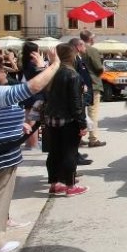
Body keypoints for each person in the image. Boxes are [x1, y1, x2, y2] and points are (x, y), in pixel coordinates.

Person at [0, 47, 61, 252]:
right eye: (1, 68)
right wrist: (53, 64)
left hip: (3, 155)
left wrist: (15, 128)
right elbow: (31, 88)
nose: (5, 72)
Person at [42, 44, 89, 197]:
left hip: (51, 118)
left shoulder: (51, 72)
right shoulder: (72, 75)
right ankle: (70, 186)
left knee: (54, 152)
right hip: (68, 119)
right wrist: (82, 123)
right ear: (71, 56)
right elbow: (76, 103)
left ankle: (54, 184)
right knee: (70, 152)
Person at [80, 30, 106, 148]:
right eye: (93, 37)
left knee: (79, 112)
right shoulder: (92, 50)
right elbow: (98, 68)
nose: (94, 39)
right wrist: (102, 70)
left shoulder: (76, 49)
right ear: (90, 39)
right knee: (93, 112)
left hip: (79, 84)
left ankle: (78, 137)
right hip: (93, 83)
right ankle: (93, 138)